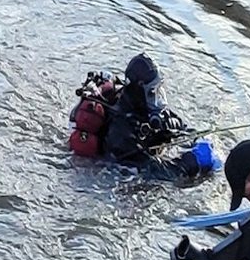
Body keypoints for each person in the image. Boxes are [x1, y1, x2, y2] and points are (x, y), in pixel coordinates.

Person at [67, 52, 216, 180]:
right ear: (139, 92)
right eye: (153, 92)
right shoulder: (121, 133)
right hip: (112, 173)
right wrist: (191, 162)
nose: (158, 97)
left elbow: (178, 127)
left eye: (159, 90)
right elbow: (155, 173)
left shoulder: (147, 109)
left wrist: (196, 137)